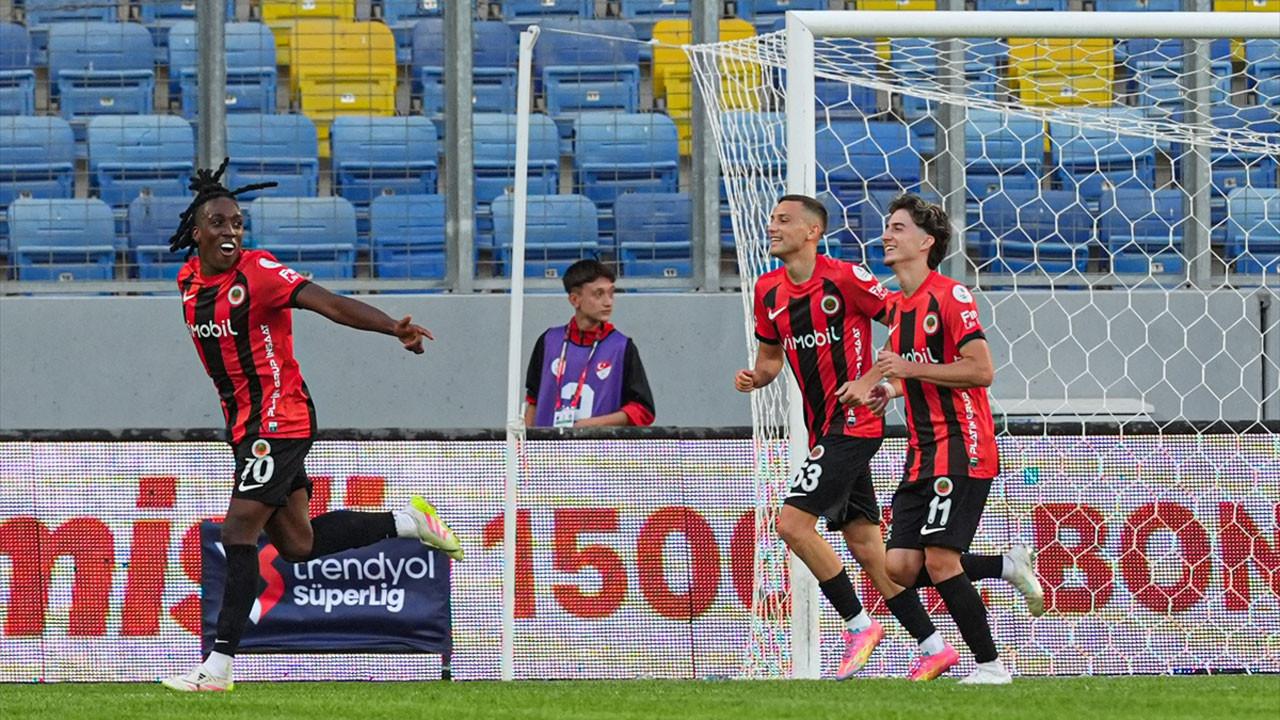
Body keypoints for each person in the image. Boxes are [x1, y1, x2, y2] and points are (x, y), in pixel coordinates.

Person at [160, 160, 463, 693]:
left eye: (237, 223)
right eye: (219, 223)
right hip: (245, 424)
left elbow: (330, 305)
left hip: (279, 418)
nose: (230, 231)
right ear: (197, 231)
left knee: (237, 532)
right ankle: (409, 523)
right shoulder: (187, 280)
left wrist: (393, 327)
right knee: (298, 543)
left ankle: (218, 667)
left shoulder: (260, 273)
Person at [733, 194, 956, 681]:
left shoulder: (845, 278)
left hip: (854, 423)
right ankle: (934, 645)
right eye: (771, 219)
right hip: (824, 428)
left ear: (812, 232)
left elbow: (904, 322)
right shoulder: (768, 291)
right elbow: (771, 359)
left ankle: (858, 625)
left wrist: (876, 379)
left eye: (784, 220)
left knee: (792, 525)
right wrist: (757, 376)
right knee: (868, 549)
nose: (772, 226)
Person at [857, 192, 1040, 685]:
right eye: (887, 227)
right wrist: (891, 390)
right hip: (920, 450)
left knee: (940, 559)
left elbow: (981, 371)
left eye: (897, 228)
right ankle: (1006, 565)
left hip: (962, 443)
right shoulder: (897, 307)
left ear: (925, 242)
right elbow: (917, 372)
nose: (887, 235)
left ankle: (992, 667)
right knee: (900, 566)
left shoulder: (951, 295)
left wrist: (906, 369)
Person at [524, 259, 655, 428]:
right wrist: (521, 451)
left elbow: (643, 410)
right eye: (598, 294)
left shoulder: (622, 347)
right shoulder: (548, 341)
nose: (608, 302)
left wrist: (592, 425)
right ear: (575, 299)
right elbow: (533, 400)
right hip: (548, 451)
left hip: (598, 451)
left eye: (611, 293)